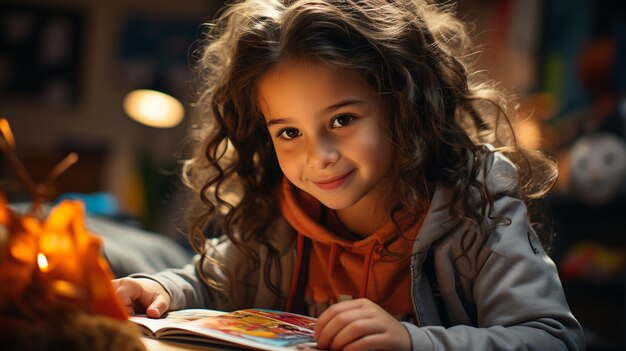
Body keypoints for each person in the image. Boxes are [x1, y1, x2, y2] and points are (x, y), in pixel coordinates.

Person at [112, 0, 585, 349]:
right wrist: (159, 290)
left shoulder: (475, 203)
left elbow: (553, 337)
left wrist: (411, 342)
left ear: (403, 106)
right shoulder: (279, 214)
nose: (319, 156)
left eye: (342, 120)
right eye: (290, 132)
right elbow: (211, 278)